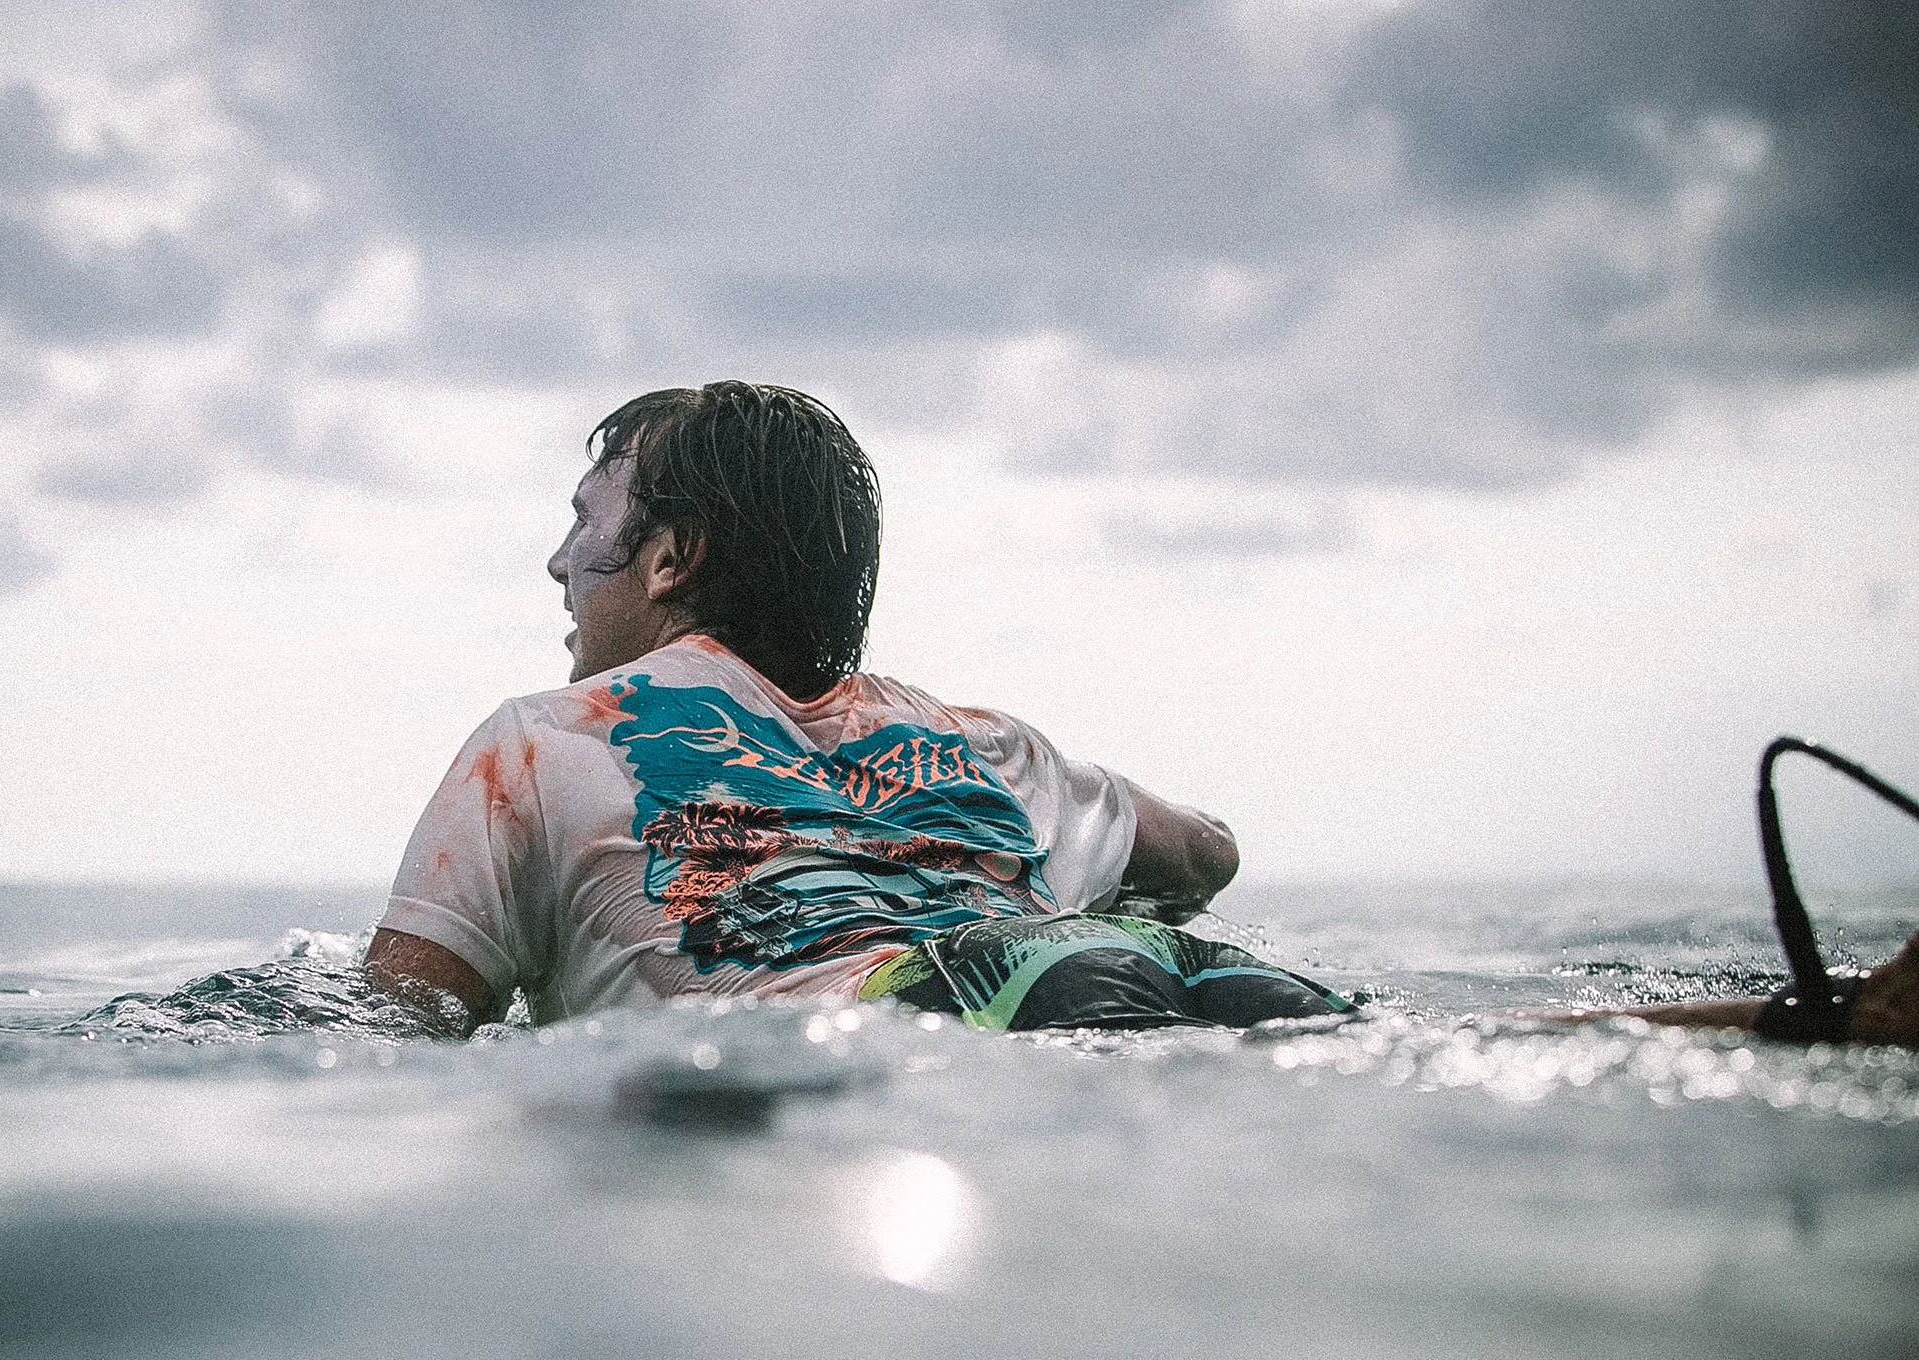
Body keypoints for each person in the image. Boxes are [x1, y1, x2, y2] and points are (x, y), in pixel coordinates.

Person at [363, 381, 1355, 1038]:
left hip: (925, 1011)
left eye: (585, 518)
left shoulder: (540, 742)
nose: (558, 560)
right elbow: (1205, 852)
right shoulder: (981, 742)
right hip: (1158, 963)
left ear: (671, 558)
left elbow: (397, 1031)